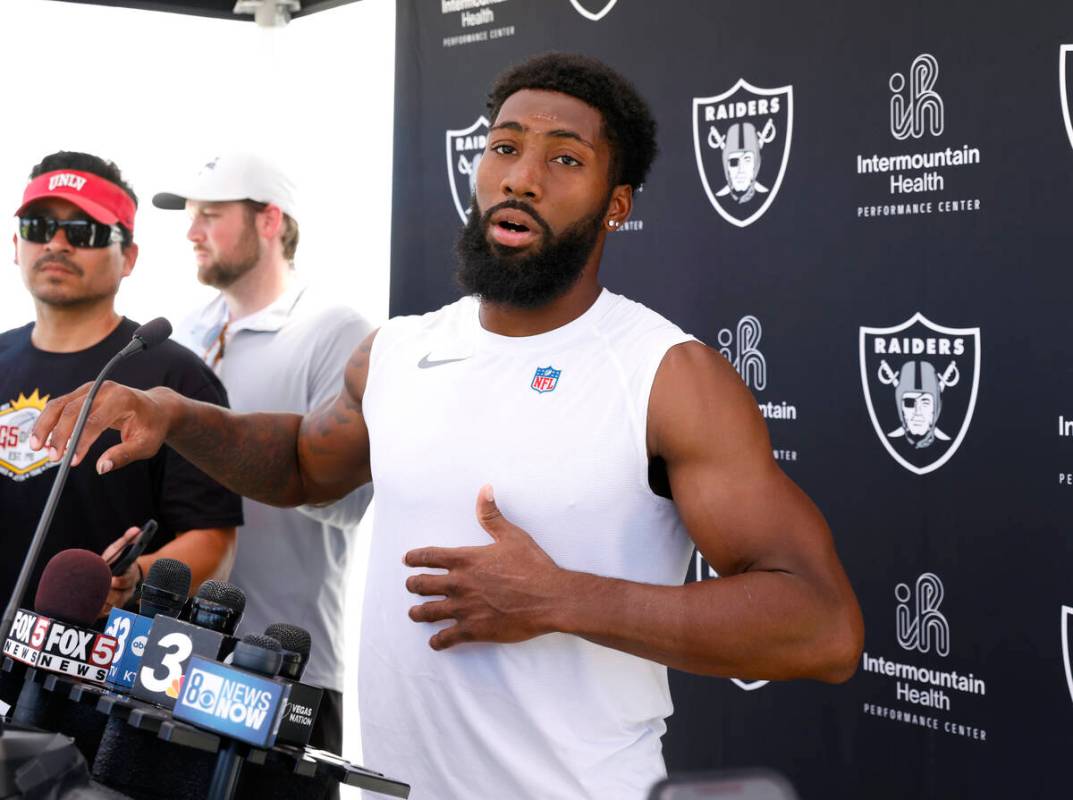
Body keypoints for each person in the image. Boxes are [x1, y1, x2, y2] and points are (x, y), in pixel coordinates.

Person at [33, 55, 864, 800]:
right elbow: (298, 465)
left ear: (616, 206)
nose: (522, 178)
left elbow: (821, 626)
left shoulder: (666, 375)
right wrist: (174, 414)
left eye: (563, 159)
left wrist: (564, 599)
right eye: (504, 147)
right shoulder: (399, 350)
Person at [150, 153, 373, 756]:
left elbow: (350, 502)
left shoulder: (334, 330)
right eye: (191, 217)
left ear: (270, 221)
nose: (193, 232)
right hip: (172, 660)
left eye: (211, 216)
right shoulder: (182, 335)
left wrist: (243, 452)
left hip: (286, 662)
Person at [0, 150, 241, 619]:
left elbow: (214, 542)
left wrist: (135, 578)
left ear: (128, 257)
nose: (58, 244)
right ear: (16, 244)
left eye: (84, 231)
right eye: (39, 227)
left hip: (101, 673)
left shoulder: (175, 378)